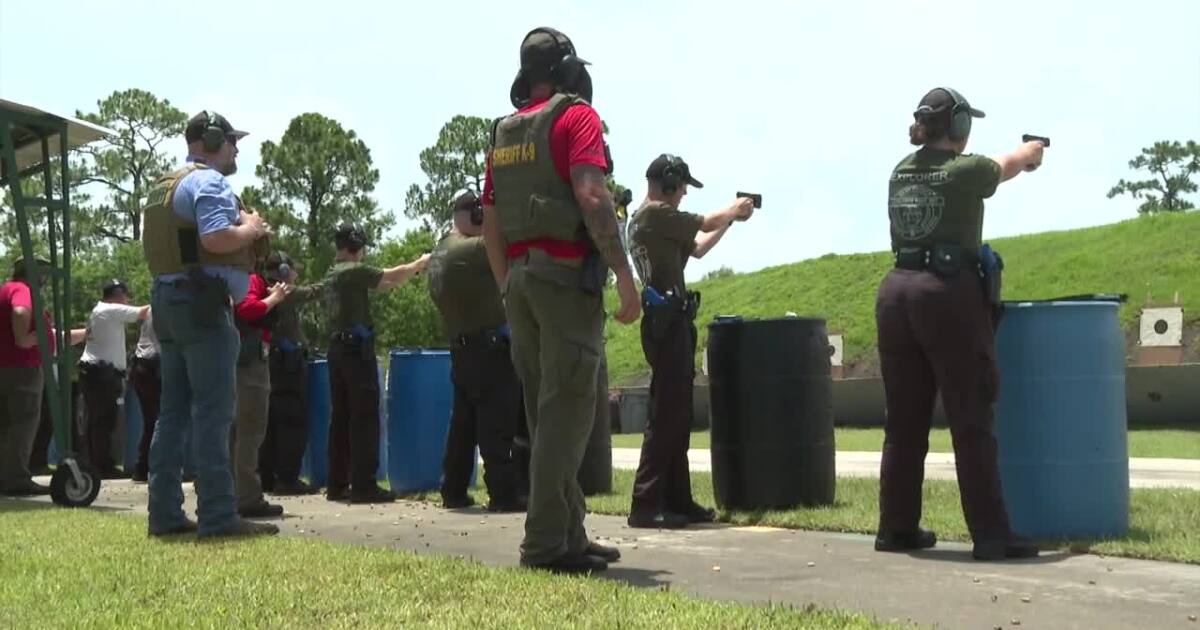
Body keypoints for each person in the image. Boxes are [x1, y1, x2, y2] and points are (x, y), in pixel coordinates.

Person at [482, 26, 639, 574]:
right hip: (564, 280)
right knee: (567, 416)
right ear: (570, 69)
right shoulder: (577, 118)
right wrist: (623, 272)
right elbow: (592, 195)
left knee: (545, 414)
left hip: (521, 283)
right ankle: (546, 544)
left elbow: (492, 222)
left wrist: (506, 285)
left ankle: (570, 531)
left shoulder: (504, 133)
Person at [875, 87, 1046, 561]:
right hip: (945, 293)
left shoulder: (900, 170)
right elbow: (1007, 164)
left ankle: (896, 528)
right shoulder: (966, 170)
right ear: (959, 126)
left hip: (896, 291)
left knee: (904, 422)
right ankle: (992, 534)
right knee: (971, 415)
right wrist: (1032, 153)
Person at [141, 110, 277, 538]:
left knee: (173, 414)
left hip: (168, 302)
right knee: (213, 413)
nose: (236, 148)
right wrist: (251, 229)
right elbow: (215, 239)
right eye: (233, 141)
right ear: (215, 139)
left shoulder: (166, 185)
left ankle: (164, 515)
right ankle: (218, 517)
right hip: (201, 304)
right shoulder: (210, 182)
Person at [626, 155, 754, 529]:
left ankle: (677, 500)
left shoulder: (647, 221)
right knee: (666, 415)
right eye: (681, 186)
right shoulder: (655, 215)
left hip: (666, 322)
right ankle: (646, 502)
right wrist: (733, 208)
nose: (683, 194)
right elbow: (704, 221)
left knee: (676, 414)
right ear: (668, 182)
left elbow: (697, 247)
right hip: (668, 323)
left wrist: (730, 220)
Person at [427, 192, 526, 513]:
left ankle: (453, 489)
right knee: (498, 424)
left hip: (462, 348)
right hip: (489, 350)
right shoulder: (472, 250)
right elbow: (509, 243)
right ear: (479, 214)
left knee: (463, 427)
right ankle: (504, 494)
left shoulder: (441, 251)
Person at [324, 223, 430, 504]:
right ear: (357, 246)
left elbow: (387, 283)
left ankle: (337, 483)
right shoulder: (354, 270)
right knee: (365, 418)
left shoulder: (333, 273)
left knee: (342, 417)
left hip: (337, 349)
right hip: (355, 351)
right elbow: (391, 275)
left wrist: (413, 270)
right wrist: (421, 262)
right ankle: (363, 484)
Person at [259, 252, 323, 496]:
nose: (296, 274)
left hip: (272, 362)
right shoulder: (281, 291)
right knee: (291, 421)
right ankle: (287, 478)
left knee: (270, 423)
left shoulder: (262, 290)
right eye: (293, 270)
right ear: (284, 270)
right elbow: (314, 292)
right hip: (287, 364)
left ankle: (267, 477)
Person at [231, 265, 291, 517]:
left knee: (235, 432)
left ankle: (229, 493)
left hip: (237, 362)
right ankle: (247, 498)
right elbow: (246, 309)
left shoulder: (230, 275)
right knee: (250, 430)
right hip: (249, 364)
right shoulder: (251, 278)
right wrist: (275, 298)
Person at [77, 279, 149, 478]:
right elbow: (143, 312)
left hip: (98, 373)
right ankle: (100, 466)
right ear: (117, 295)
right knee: (102, 421)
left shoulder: (100, 311)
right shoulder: (110, 310)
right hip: (101, 374)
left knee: (98, 420)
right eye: (125, 295)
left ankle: (97, 464)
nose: (127, 300)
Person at [0, 258, 54, 496]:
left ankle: (6, 476)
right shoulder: (23, 290)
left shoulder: (5, 289)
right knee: (24, 423)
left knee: (6, 426)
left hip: (6, 367)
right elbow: (21, 311)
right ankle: (16, 478)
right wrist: (25, 338)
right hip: (21, 369)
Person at [129, 308, 160, 482]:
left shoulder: (153, 306)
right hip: (155, 365)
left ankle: (142, 467)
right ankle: (148, 467)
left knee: (151, 421)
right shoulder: (173, 303)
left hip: (142, 365)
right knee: (159, 420)